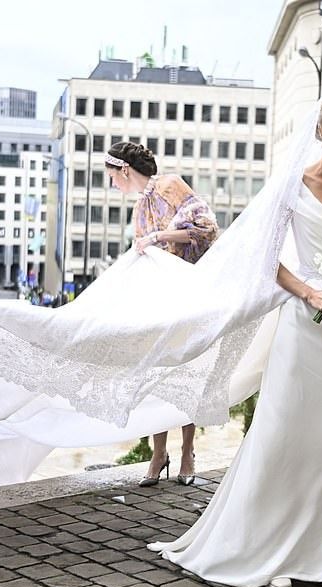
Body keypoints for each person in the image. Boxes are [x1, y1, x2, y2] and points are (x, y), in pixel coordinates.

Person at [148, 86, 322, 587]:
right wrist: (309, 291)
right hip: (304, 322)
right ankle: (274, 548)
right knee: (286, 433)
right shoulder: (292, 184)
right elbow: (266, 258)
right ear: (319, 130)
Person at [104, 141, 219, 486]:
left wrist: (157, 236)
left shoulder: (169, 185)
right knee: (156, 376)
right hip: (158, 300)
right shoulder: (139, 206)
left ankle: (187, 452)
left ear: (125, 169)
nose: (112, 184)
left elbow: (207, 229)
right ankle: (158, 454)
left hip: (188, 294)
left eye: (112, 176)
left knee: (186, 374)